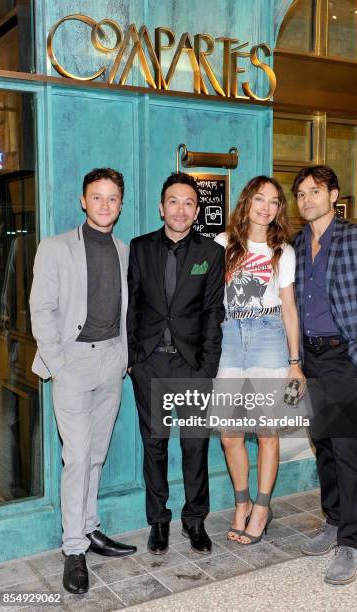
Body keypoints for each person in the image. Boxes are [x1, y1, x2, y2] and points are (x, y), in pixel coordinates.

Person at [30, 168, 137, 595]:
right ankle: (73, 547)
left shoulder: (123, 249)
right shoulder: (54, 248)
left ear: (121, 204)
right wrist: (58, 364)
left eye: (113, 198)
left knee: (95, 454)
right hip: (72, 363)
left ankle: (90, 528)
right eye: (98, 197)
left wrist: (124, 359)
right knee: (76, 458)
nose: (105, 205)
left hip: (111, 362)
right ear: (83, 200)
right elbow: (42, 310)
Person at [292, 164, 357, 585]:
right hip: (311, 359)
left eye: (314, 191)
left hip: (344, 357)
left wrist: (356, 358)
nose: (306, 199)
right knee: (325, 446)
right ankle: (333, 520)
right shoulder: (296, 245)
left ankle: (350, 543)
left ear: (334, 195)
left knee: (348, 450)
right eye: (300, 194)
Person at [127, 172, 225, 555]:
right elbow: (132, 306)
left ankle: (195, 520)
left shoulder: (210, 253)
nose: (180, 209)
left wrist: (207, 370)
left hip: (192, 366)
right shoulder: (140, 248)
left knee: (195, 447)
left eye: (188, 202)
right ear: (161, 207)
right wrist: (135, 359)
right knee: (155, 447)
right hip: (150, 365)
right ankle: (159, 522)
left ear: (197, 209)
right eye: (173, 201)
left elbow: (214, 314)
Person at [214, 176, 305, 545]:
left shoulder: (283, 251)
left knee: (267, 432)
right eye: (259, 199)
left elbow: (289, 309)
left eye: (274, 201)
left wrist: (295, 362)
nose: (266, 207)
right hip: (232, 337)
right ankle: (242, 501)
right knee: (229, 434)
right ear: (246, 202)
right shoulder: (223, 244)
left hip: (269, 337)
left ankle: (263, 507)